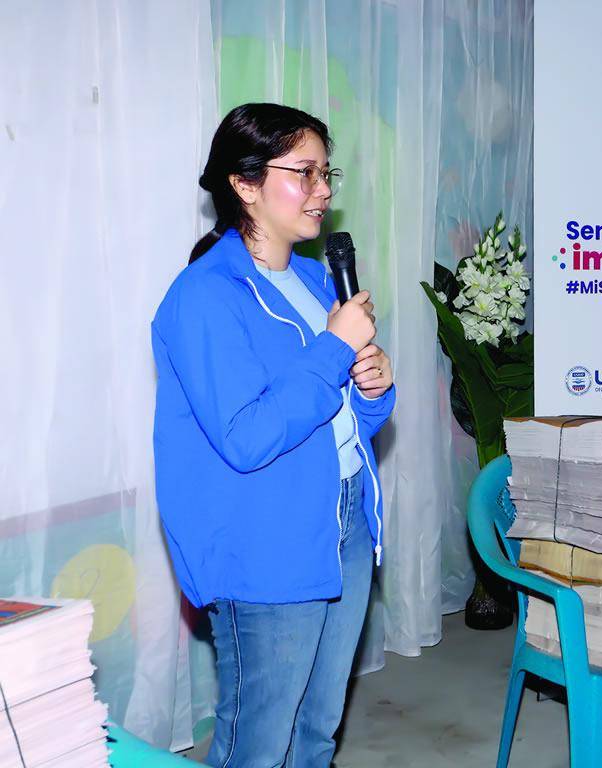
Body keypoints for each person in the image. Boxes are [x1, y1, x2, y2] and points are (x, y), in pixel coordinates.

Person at [152, 103, 396, 766]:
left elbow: (343, 416)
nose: (323, 191)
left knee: (317, 730)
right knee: (259, 744)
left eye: (326, 174)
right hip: (264, 543)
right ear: (245, 183)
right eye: (305, 173)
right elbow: (248, 436)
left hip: (343, 519)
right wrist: (333, 349)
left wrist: (373, 387)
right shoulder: (204, 296)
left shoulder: (318, 281)